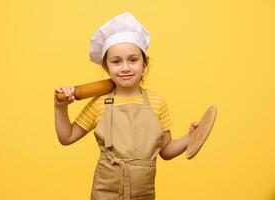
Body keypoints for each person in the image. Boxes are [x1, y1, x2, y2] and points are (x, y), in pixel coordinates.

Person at [54, 12, 199, 200]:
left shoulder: (157, 103)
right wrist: (60, 107)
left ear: (144, 64)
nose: (125, 68)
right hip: (105, 192)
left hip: (143, 194)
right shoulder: (100, 103)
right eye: (116, 61)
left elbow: (166, 151)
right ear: (106, 67)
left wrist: (191, 137)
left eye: (133, 59)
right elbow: (67, 137)